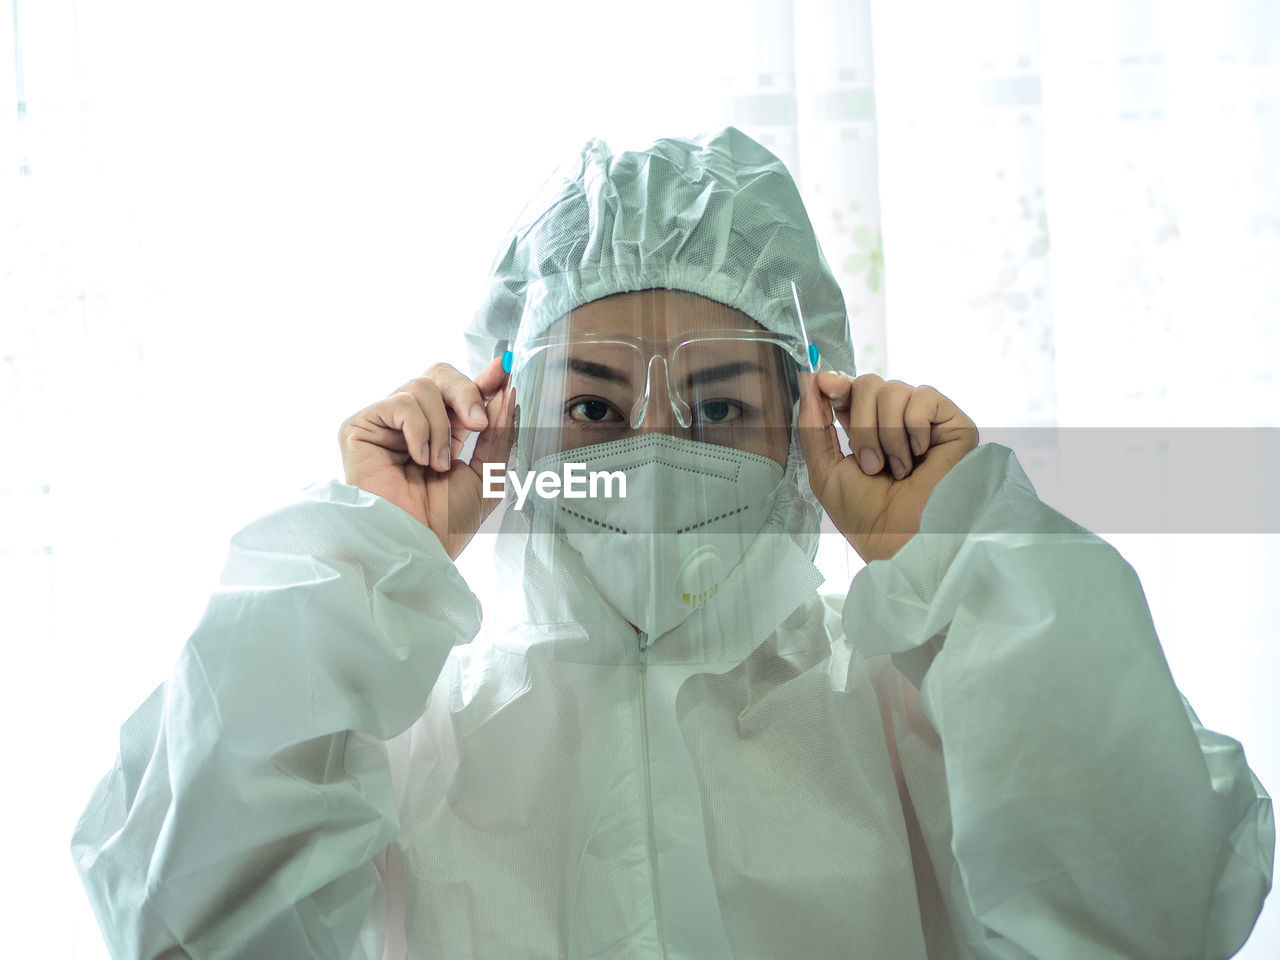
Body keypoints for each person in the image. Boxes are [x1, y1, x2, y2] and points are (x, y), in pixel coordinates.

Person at [72, 128, 1273, 959]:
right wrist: (369, 555)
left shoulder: (923, 720)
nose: (650, 448)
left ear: (809, 423)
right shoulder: (394, 747)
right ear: (512, 431)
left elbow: (1149, 912)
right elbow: (183, 923)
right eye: (590, 406)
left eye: (715, 408)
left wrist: (961, 553)